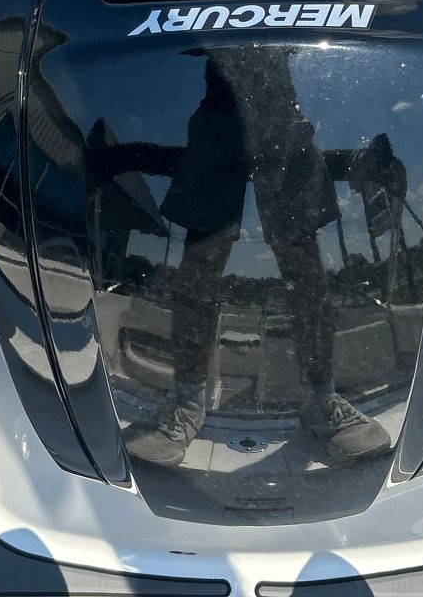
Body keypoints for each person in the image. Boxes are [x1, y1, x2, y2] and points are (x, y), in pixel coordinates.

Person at [104, 46, 397, 467]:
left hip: (280, 109)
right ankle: (188, 402)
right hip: (219, 112)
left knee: (303, 260)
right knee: (201, 260)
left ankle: (322, 398)